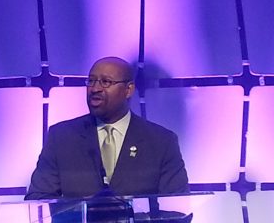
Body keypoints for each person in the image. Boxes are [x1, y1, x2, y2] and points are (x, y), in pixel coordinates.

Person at [25, 56, 189, 200]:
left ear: (128, 90)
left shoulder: (161, 141)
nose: (95, 89)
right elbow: (38, 199)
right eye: (91, 81)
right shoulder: (62, 138)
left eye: (106, 82)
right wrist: (79, 210)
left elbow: (177, 207)